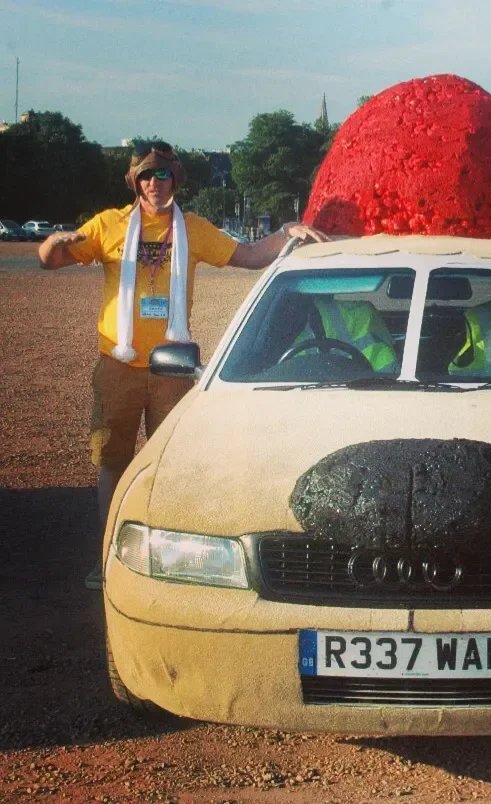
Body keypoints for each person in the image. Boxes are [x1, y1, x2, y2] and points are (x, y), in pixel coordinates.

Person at [39, 140, 328, 590]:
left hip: (171, 369)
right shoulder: (108, 226)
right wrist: (53, 243)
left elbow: (248, 256)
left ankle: (165, 557)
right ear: (135, 182)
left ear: (176, 181)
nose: (156, 183)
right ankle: (108, 559)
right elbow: (52, 262)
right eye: (148, 176)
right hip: (118, 363)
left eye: (165, 175)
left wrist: (287, 232)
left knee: (168, 464)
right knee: (113, 461)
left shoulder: (191, 228)